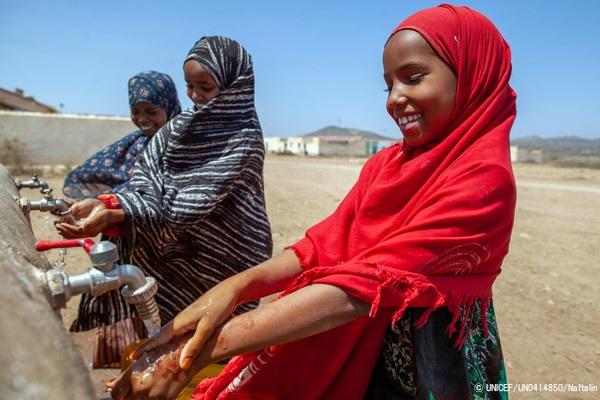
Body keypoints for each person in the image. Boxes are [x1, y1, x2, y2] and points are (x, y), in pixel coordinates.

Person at [108, 4, 517, 399]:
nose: (394, 98)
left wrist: (191, 355)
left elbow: (362, 287)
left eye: (412, 78)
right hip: (356, 347)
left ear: (471, 75)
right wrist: (235, 287)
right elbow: (323, 245)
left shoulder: (484, 181)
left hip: (432, 361)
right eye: (388, 84)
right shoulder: (387, 165)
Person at [56, 36, 273, 368]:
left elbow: (189, 206)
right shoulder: (180, 127)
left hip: (218, 260)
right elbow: (146, 177)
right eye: (190, 86)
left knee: (202, 351)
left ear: (234, 86)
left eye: (206, 87)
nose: (196, 96)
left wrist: (121, 211)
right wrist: (110, 203)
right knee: (156, 345)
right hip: (171, 254)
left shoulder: (244, 140)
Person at [62, 70, 181, 200]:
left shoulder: (182, 144)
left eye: (151, 112)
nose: (142, 119)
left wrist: (108, 203)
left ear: (170, 107)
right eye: (135, 111)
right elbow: (87, 173)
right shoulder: (136, 143)